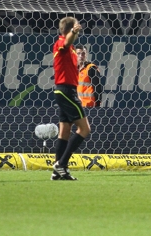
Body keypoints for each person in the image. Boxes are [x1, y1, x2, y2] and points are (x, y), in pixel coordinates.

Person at [51, 17, 91, 180]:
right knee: (84, 129)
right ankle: (61, 164)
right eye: (74, 29)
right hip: (65, 91)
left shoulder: (72, 49)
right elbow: (66, 43)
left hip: (67, 90)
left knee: (65, 131)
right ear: (70, 30)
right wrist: (73, 32)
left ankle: (57, 172)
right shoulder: (61, 42)